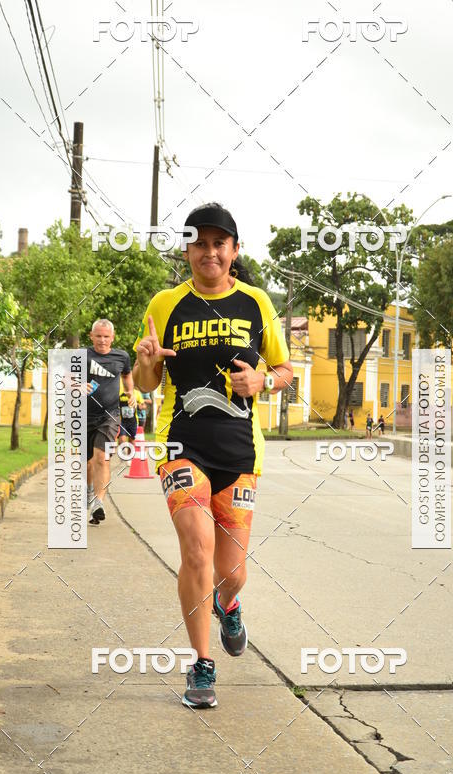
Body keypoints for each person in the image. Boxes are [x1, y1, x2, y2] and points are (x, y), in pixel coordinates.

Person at [133, 202, 293, 709]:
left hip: (240, 452)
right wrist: (145, 365)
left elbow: (285, 371)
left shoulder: (256, 303)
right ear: (187, 251)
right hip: (181, 445)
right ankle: (202, 666)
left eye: (218, 243)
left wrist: (263, 379)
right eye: (200, 243)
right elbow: (146, 383)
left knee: (232, 570)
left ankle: (229, 604)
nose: (209, 252)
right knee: (196, 549)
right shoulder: (164, 304)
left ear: (234, 251)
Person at [85, 319, 134, 524]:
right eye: (99, 336)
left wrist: (131, 391)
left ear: (112, 338)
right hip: (84, 416)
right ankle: (89, 492)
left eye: (106, 336)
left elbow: (127, 376)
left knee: (101, 457)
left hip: (110, 414)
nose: (102, 340)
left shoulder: (121, 356)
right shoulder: (82, 355)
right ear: (91, 336)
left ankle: (98, 502)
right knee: (87, 463)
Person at [118, 381, 143, 449]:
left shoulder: (137, 393)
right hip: (122, 421)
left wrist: (139, 406)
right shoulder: (120, 392)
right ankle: (123, 458)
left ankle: (129, 459)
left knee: (131, 442)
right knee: (122, 440)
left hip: (133, 421)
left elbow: (143, 405)